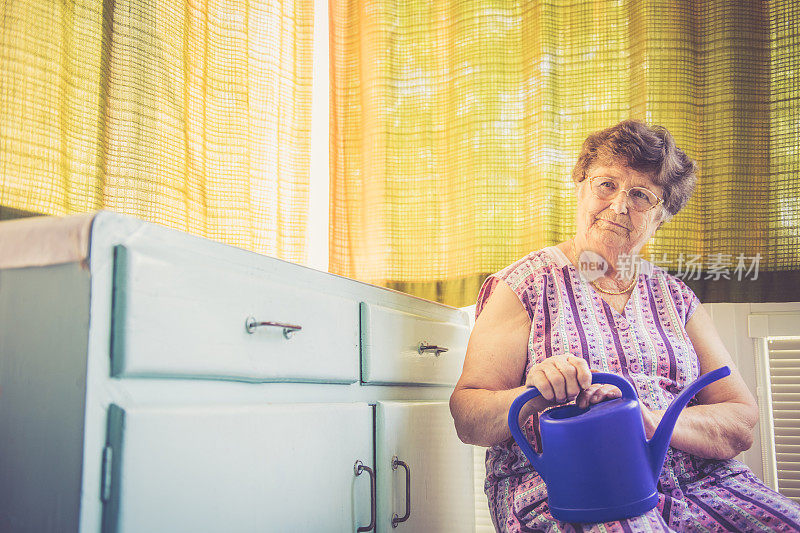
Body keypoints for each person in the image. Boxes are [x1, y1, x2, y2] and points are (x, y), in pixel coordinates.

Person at [450, 120, 800, 532]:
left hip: (702, 482)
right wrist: (534, 394)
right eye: (606, 185)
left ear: (661, 216)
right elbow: (467, 415)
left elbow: (740, 420)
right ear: (580, 186)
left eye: (640, 195)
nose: (619, 206)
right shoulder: (526, 283)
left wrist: (651, 420)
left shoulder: (677, 298)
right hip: (573, 485)